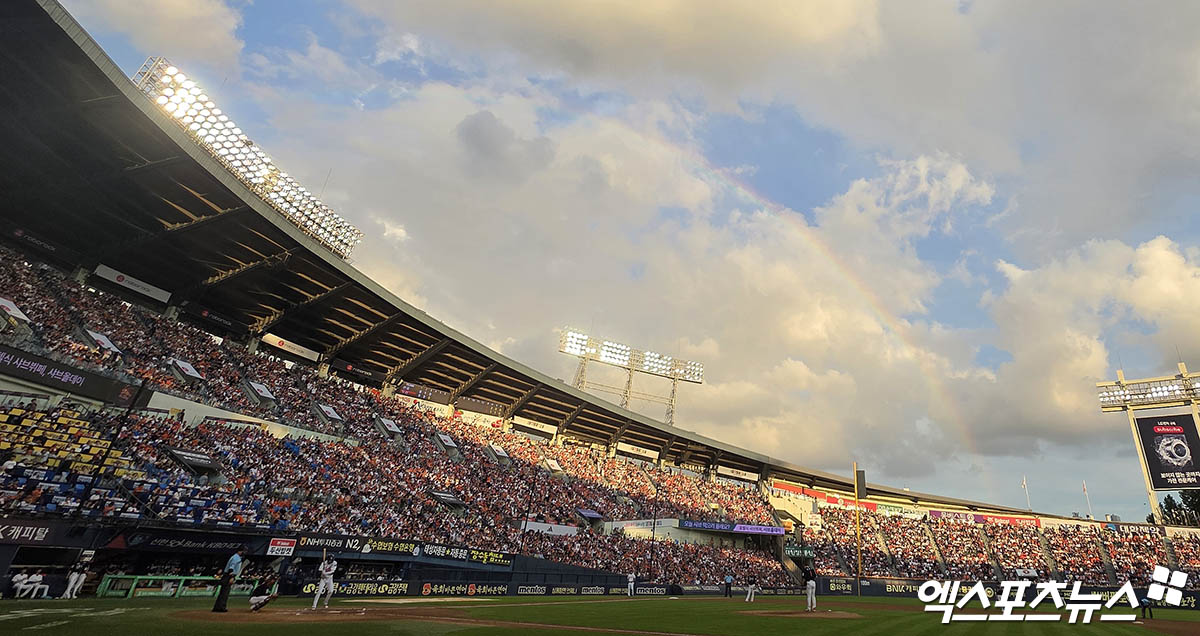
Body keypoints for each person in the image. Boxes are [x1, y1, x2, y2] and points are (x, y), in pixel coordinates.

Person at [213, 546, 247, 613]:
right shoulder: (236, 557)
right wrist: (232, 577)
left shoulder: (236, 557)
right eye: (243, 551)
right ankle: (221, 608)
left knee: (223, 592)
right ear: (240, 551)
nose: (244, 552)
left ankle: (217, 607)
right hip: (229, 575)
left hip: (228, 575)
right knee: (225, 592)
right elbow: (231, 567)